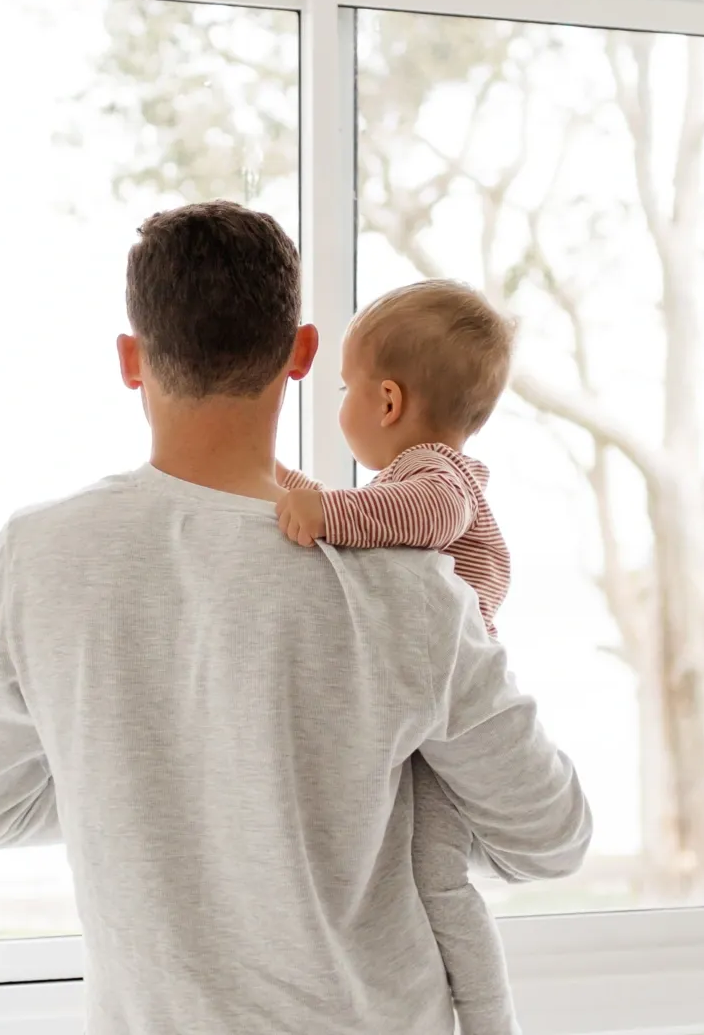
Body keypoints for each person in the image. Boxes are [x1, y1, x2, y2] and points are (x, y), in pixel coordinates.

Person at [0, 200, 592, 1035]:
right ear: (302, 354)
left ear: (131, 361)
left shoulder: (36, 555)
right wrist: (336, 809)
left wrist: (158, 792)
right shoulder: (409, 585)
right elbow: (552, 836)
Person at [274, 279, 522, 1035]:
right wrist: (279, 482)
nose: (340, 402)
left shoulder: (435, 479)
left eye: (345, 387)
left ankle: (489, 1021)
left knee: (440, 882)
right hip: (423, 715)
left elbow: (417, 517)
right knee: (415, 872)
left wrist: (323, 510)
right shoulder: (413, 479)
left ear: (386, 403)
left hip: (450, 715)